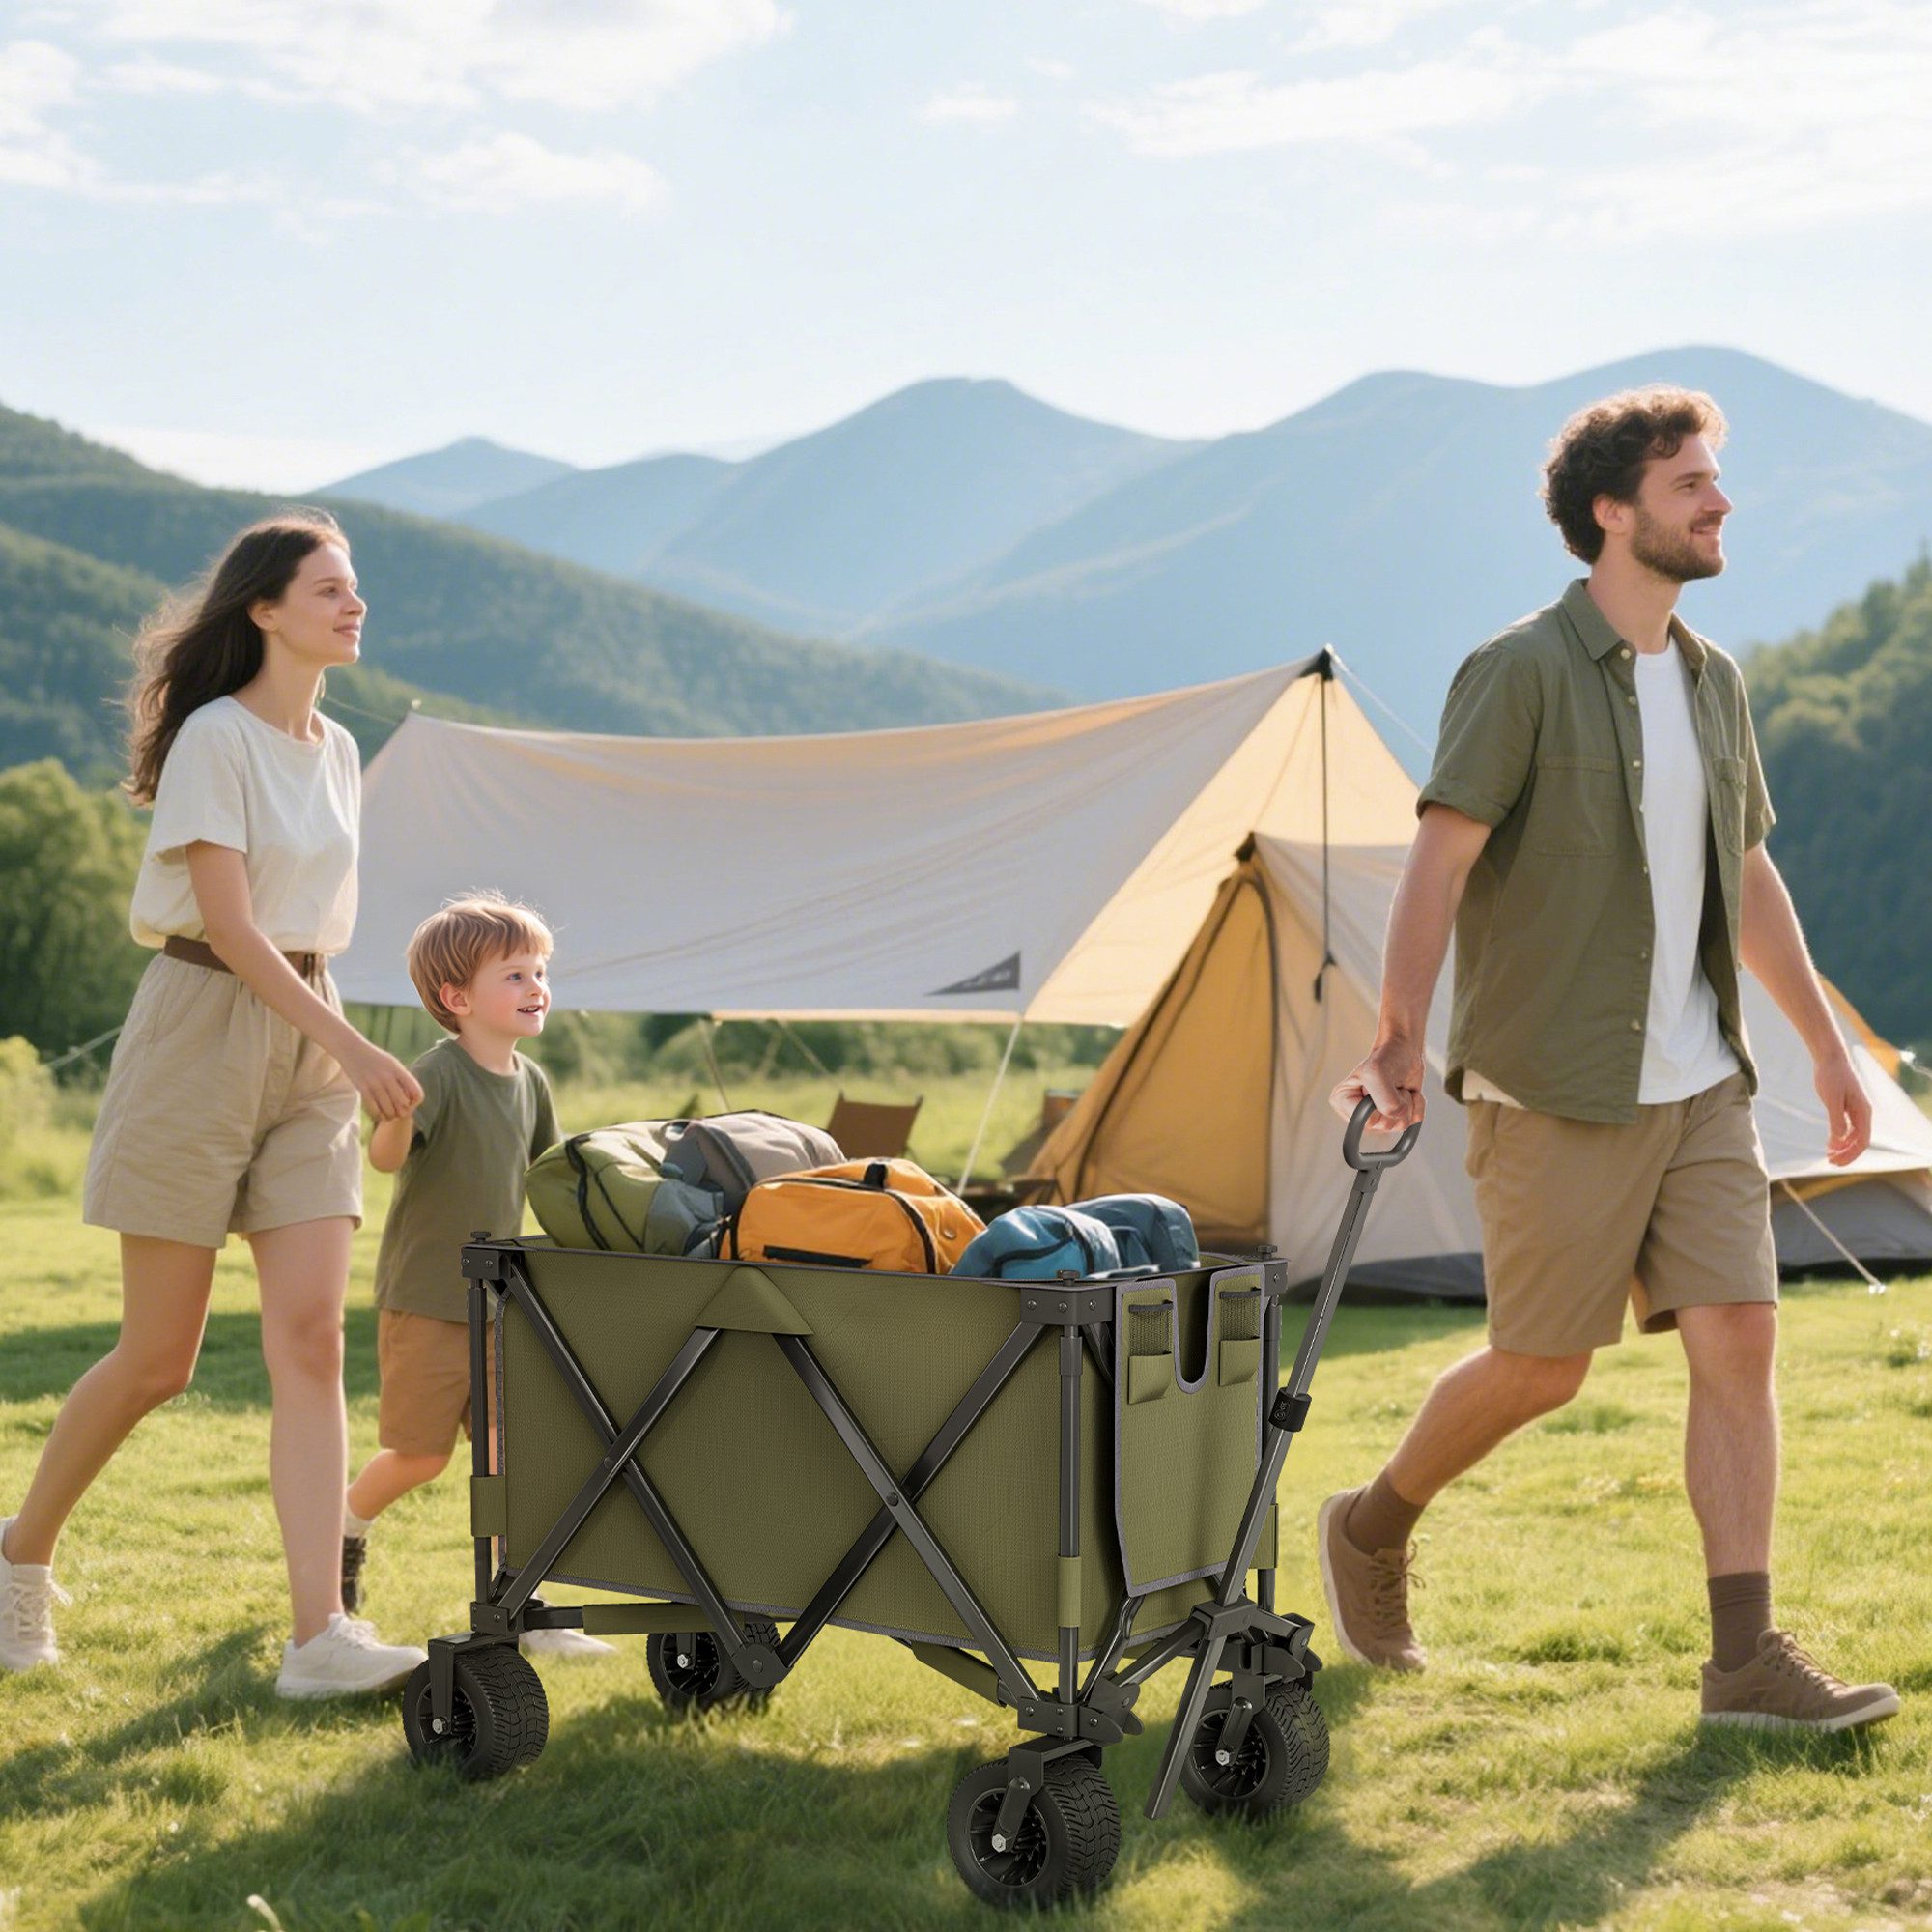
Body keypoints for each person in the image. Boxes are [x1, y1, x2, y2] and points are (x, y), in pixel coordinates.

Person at [1321, 386, 1900, 1733]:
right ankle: (1370, 1523)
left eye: (1716, 479)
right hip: (1555, 1085)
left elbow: (1747, 874)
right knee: (1542, 1367)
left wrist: (1824, 1050)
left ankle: (1744, 1664)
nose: (1720, 501)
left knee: (1740, 1337)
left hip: (1701, 1082)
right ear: (1612, 510)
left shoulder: (1713, 682)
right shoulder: (1518, 672)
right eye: (1692, 481)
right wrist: (1399, 1032)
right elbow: (1441, 861)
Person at [0, 511, 430, 1698]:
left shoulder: (339, 748)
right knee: (159, 1357)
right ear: (265, 608)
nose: (354, 606)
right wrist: (356, 1044)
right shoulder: (214, 739)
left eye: (356, 588)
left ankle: (316, 1636)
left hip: (309, 1038)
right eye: (330, 589)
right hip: (202, 1024)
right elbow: (232, 927)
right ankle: (19, 1555)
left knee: (307, 1337)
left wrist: (337, 1041)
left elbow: (305, 925)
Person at [338, 891, 611, 1659]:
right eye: (515, 975)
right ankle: (344, 1526)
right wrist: (393, 1112)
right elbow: (386, 1158)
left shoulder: (531, 1084)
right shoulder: (438, 1073)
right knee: (423, 1457)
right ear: (458, 999)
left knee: (507, 1458)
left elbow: (552, 1177)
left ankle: (521, 1606)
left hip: (499, 1303)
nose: (536, 989)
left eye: (540, 972)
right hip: (427, 1305)